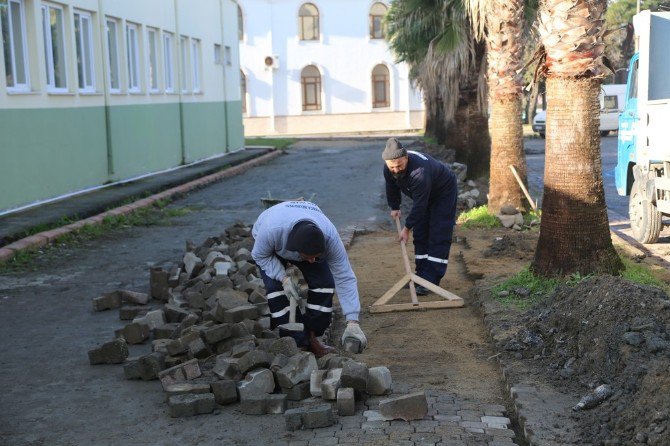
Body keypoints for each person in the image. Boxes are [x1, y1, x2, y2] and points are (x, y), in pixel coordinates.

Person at [251, 200, 367, 357]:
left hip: (305, 237)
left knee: (324, 284)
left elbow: (345, 276)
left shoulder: (330, 238)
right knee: (275, 290)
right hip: (271, 249)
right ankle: (297, 344)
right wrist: (283, 278)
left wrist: (353, 321)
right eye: (307, 257)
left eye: (316, 257)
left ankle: (313, 338)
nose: (312, 261)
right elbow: (259, 255)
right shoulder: (271, 230)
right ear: (295, 250)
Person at [382, 137, 458, 295]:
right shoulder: (389, 168)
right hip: (423, 195)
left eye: (399, 165)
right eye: (392, 167)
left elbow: (419, 206)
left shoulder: (419, 172)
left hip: (442, 192)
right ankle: (421, 275)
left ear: (406, 158)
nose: (396, 170)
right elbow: (391, 186)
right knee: (421, 232)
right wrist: (394, 206)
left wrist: (407, 228)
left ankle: (431, 279)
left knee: (438, 233)